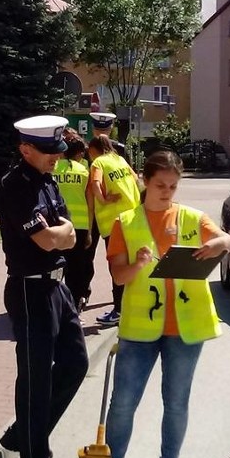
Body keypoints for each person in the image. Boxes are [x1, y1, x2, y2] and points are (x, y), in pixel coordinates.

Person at [97, 150, 230, 458]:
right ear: (144, 180)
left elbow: (225, 241)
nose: (167, 192)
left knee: (176, 403)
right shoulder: (125, 222)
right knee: (123, 403)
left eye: (173, 186)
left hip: (185, 328)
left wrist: (217, 243)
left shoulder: (192, 217)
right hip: (140, 328)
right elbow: (119, 275)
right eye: (160, 185)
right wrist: (139, 263)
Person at [0, 115, 89, 458]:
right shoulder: (15, 185)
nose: (56, 157)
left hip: (58, 288)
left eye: (58, 150)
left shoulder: (47, 180)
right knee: (35, 379)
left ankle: (23, 433)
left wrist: (60, 234)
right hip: (29, 289)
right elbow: (49, 240)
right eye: (49, 151)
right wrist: (60, 235)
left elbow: (68, 232)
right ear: (26, 149)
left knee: (76, 363)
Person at [87, 134, 141, 327]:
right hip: (132, 218)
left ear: (94, 149)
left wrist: (103, 199)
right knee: (130, 263)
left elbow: (94, 184)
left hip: (113, 223)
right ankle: (129, 307)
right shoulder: (120, 160)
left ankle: (119, 310)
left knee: (116, 267)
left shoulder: (99, 163)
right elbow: (136, 180)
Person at [52, 131, 96, 313]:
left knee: (56, 266)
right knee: (76, 270)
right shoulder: (84, 171)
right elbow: (90, 203)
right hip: (79, 226)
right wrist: (90, 232)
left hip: (57, 226)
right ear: (78, 153)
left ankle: (53, 303)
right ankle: (74, 307)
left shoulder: (52, 169)